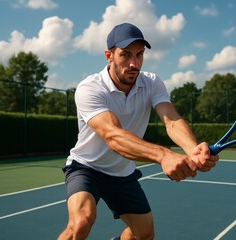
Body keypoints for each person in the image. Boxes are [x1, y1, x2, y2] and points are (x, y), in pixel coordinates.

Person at [58, 22, 219, 240]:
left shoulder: (152, 83)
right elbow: (113, 136)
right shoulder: (90, 88)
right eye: (125, 55)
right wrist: (164, 156)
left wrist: (193, 150)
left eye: (139, 54)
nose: (134, 63)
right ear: (109, 55)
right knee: (80, 224)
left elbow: (171, 121)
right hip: (87, 168)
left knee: (144, 234)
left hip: (122, 173)